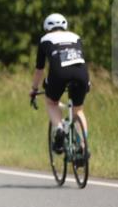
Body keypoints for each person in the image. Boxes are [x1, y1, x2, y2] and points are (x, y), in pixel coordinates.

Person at [31, 13, 89, 155]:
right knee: (78, 110)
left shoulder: (45, 39)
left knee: (51, 102)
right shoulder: (76, 37)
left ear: (46, 28)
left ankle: (59, 129)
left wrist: (34, 89)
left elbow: (39, 69)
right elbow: (81, 58)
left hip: (59, 73)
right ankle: (83, 146)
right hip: (81, 73)